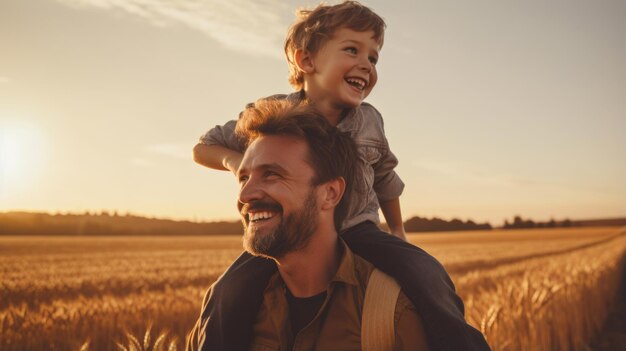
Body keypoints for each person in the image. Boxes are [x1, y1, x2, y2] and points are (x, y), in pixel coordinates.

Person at [191, 1, 490, 350]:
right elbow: (203, 147)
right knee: (227, 292)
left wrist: (398, 230)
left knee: (425, 272)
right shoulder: (273, 115)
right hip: (292, 232)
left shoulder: (370, 121)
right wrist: (240, 163)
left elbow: (385, 179)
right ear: (306, 61)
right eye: (352, 49)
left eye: (374, 58)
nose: (366, 64)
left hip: (359, 230)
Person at [188, 100, 430, 350]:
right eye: (244, 178)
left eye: (271, 174)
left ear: (330, 193)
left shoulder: (393, 314)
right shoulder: (226, 309)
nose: (245, 195)